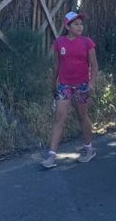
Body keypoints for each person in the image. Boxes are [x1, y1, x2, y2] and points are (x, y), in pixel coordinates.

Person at [41, 12, 100, 168]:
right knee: (59, 117)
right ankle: (52, 156)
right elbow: (56, 66)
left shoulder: (87, 43)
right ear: (67, 26)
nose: (80, 26)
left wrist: (91, 84)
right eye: (76, 24)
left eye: (81, 24)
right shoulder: (59, 43)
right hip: (64, 86)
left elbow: (94, 65)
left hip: (81, 86)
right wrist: (53, 84)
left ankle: (88, 148)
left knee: (82, 116)